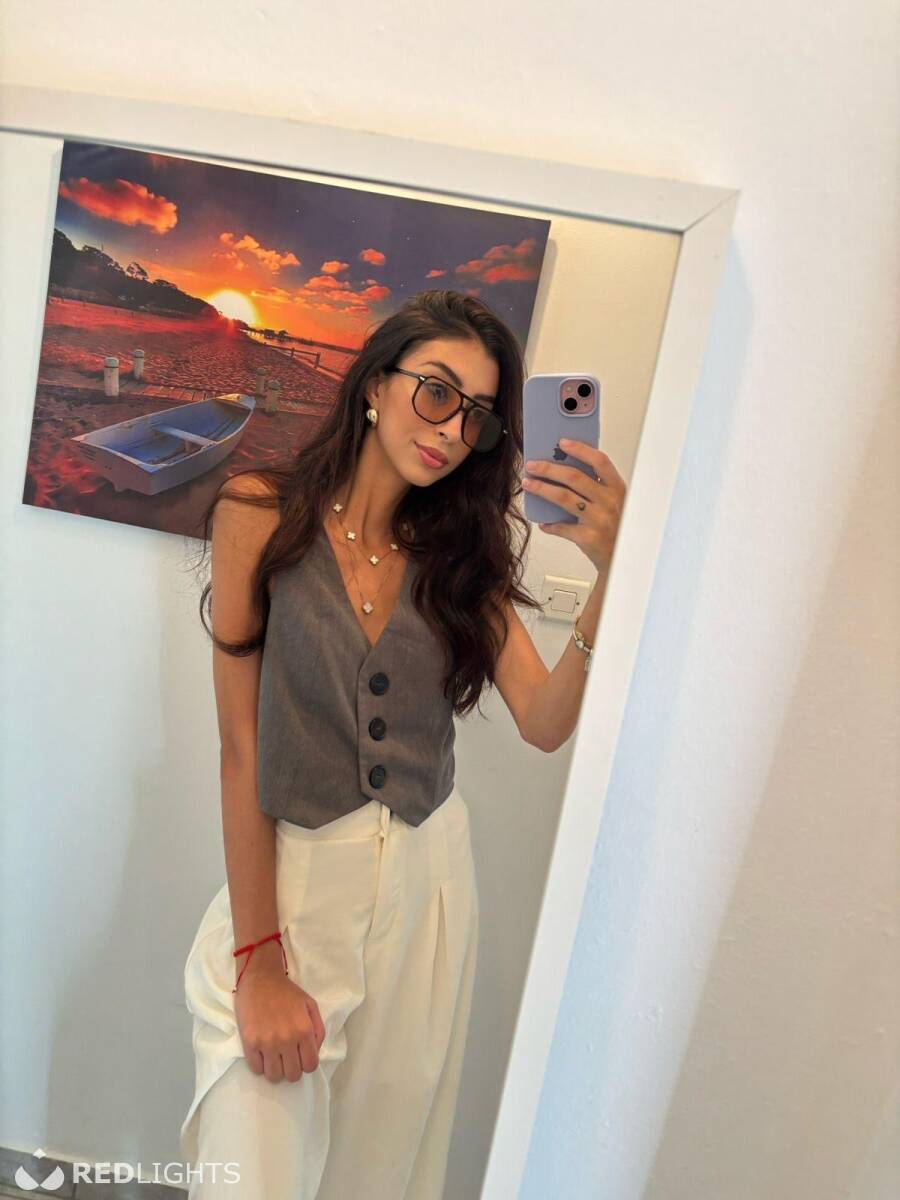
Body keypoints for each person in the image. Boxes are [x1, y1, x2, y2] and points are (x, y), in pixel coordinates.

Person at [178, 289, 621, 1199]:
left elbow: (545, 721)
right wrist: (258, 961)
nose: (453, 429)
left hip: (426, 895)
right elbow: (239, 746)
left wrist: (615, 573)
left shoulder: (462, 563)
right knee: (247, 1171)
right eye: (437, 391)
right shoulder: (257, 513)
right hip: (296, 890)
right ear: (376, 385)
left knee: (373, 1177)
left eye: (478, 416)